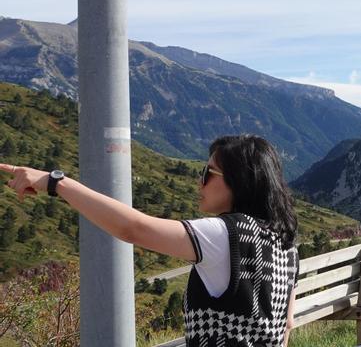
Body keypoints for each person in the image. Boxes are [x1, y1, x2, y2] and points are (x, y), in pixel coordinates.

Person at [2, 134, 299, 347]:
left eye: (208, 172)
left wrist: (55, 183)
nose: (200, 181)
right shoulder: (286, 245)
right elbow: (285, 326)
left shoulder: (224, 234)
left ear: (240, 180)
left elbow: (134, 229)